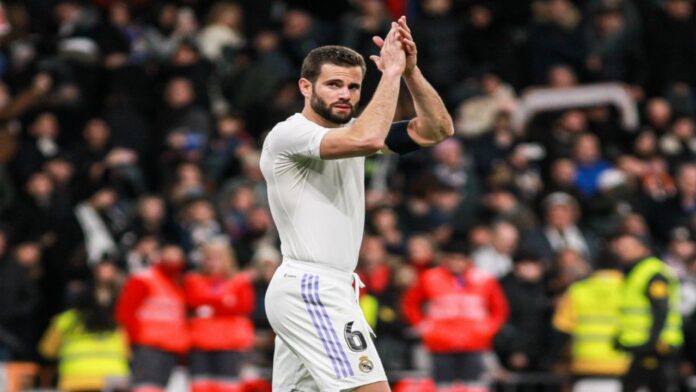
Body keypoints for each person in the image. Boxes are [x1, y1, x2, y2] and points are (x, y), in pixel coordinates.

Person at [260, 15, 453, 392]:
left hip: (328, 287)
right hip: (311, 287)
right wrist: (391, 75)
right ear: (305, 86)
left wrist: (411, 72)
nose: (345, 94)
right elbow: (367, 139)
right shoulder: (291, 133)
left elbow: (438, 129)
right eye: (334, 84)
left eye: (353, 86)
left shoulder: (353, 132)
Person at [401, 241, 509, 388]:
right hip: (440, 344)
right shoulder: (430, 277)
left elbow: (499, 308)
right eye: (453, 258)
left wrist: (488, 329)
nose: (456, 263)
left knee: (475, 387)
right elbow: (410, 303)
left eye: (460, 259)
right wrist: (422, 325)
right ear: (446, 259)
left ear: (468, 259)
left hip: (474, 344)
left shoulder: (484, 279)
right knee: (442, 387)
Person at [611, 233, 683, 392]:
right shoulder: (634, 271)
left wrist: (652, 341)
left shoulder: (652, 272)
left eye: (628, 247)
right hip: (642, 344)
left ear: (643, 248)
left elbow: (660, 309)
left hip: (655, 345)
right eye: (620, 247)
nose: (622, 251)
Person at [115, 244, 190, 392]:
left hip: (171, 348)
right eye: (168, 257)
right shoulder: (144, 279)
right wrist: (133, 340)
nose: (173, 262)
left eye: (177, 258)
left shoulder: (180, 284)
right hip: (147, 347)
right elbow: (125, 314)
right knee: (146, 388)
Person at [184, 239, 255, 392]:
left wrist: (208, 308)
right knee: (199, 386)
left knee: (227, 386)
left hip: (229, 343)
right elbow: (191, 302)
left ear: (227, 259)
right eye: (209, 258)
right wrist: (224, 302)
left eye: (217, 257)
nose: (212, 262)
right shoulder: (193, 279)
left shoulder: (240, 280)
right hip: (200, 343)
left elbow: (243, 306)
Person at [551, 250, 630, 387]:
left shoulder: (577, 290)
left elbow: (561, 329)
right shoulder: (628, 290)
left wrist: (558, 362)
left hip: (584, 366)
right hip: (622, 366)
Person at [39, 273, 129, 392]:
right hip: (114, 381)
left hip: (75, 381)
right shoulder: (115, 321)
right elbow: (128, 353)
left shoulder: (64, 321)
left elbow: (46, 351)